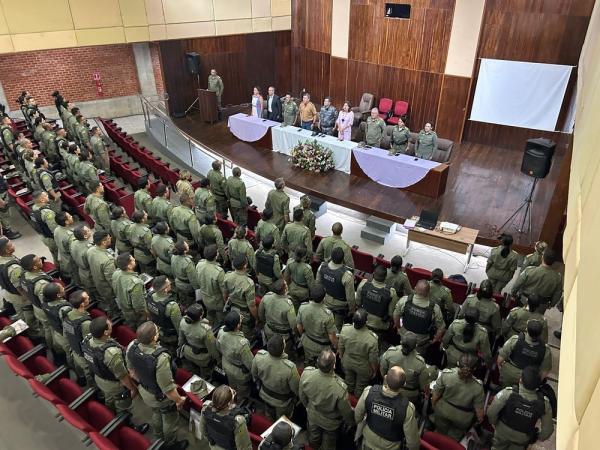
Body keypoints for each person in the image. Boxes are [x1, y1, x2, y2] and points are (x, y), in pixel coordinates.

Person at [82, 316, 150, 435]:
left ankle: (109, 415)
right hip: (115, 385)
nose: (112, 324)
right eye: (109, 324)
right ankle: (126, 427)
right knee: (123, 407)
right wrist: (133, 389)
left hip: (99, 378)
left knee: (109, 400)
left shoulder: (88, 340)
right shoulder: (111, 353)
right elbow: (122, 376)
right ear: (106, 332)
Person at [126, 322, 188, 450]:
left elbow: (131, 372)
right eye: (157, 331)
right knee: (170, 419)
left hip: (145, 391)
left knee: (156, 412)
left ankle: (158, 436)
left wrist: (145, 382)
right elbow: (168, 389)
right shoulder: (161, 358)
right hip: (160, 397)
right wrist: (179, 400)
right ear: (154, 338)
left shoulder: (132, 346)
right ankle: (170, 444)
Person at [299, 350, 355, 450]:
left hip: (312, 415)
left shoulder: (307, 374)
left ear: (317, 361)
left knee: (313, 439)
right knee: (328, 445)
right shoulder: (340, 388)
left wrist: (308, 407)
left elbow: (302, 395)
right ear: (334, 366)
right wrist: (352, 423)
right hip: (330, 424)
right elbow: (346, 412)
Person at [487, 366, 554, 449]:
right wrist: (536, 437)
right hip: (522, 439)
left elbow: (491, 412)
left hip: (502, 432)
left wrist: (495, 424)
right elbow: (548, 430)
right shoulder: (544, 404)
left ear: (520, 380)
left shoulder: (507, 394)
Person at [355, 366, 420, 450]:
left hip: (368, 442)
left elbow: (358, 416)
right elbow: (412, 443)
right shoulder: (407, 409)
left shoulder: (369, 392)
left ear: (385, 377)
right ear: (404, 384)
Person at [432, 354, 485, 441]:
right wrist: (478, 421)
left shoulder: (446, 374)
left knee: (440, 433)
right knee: (453, 439)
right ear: (475, 369)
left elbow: (435, 396)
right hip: (462, 419)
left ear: (458, 363)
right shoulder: (478, 387)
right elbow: (480, 414)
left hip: (442, 411)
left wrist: (435, 407)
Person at [251, 334, 299, 421]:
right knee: (282, 421)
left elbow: (254, 374)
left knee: (269, 416)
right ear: (283, 348)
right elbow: (296, 389)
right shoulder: (290, 368)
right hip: (282, 403)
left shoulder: (259, 357)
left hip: (265, 395)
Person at [393, 280, 445, 355]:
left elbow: (396, 315)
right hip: (421, 342)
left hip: (404, 337)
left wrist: (398, 327)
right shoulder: (435, 308)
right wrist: (435, 339)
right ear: (428, 292)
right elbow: (441, 328)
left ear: (415, 288)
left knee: (401, 353)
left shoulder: (404, 301)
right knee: (417, 357)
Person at [497, 320, 552, 389]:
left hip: (509, 373)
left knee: (505, 389)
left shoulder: (515, 340)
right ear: (540, 333)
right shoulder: (546, 349)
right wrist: (534, 382)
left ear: (526, 329)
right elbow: (545, 371)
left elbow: (500, 358)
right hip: (529, 378)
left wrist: (502, 370)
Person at [379, 333, 430, 406]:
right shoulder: (420, 363)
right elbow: (424, 386)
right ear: (416, 346)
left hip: (388, 387)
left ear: (401, 342)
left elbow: (382, 371)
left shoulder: (390, 353)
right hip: (408, 395)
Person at [338, 309, 379, 397]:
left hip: (347, 362)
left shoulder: (345, 329)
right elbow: (373, 360)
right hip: (363, 368)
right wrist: (374, 371)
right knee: (360, 387)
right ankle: (357, 400)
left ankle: (348, 397)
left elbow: (340, 347)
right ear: (366, 322)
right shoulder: (372, 339)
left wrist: (342, 358)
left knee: (348, 381)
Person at [0, 238, 37, 333]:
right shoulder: (14, 268)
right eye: (11, 245)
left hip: (7, 292)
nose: (13, 245)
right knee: (28, 314)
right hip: (19, 296)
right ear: (7, 250)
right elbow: (19, 286)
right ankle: (33, 331)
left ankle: (23, 328)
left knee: (20, 312)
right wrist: (27, 297)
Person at [199, 384, 252, 450]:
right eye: (233, 393)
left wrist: (214, 441)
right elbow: (244, 448)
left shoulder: (206, 408)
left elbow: (202, 430)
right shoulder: (237, 421)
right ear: (229, 403)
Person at [217, 310, 254, 400]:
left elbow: (218, 347)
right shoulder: (242, 344)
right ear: (238, 325)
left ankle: (231, 399)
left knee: (232, 387)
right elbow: (250, 364)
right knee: (242, 392)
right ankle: (240, 404)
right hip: (239, 373)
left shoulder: (221, 331)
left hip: (226, 364)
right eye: (239, 322)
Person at [296, 285, 337, 367]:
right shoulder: (328, 315)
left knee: (308, 362)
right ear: (324, 298)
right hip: (322, 347)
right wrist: (336, 347)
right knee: (321, 366)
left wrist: (303, 335)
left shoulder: (303, 307)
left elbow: (299, 326)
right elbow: (332, 337)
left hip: (307, 342)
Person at [511, 248, 563, 313]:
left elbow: (517, 284)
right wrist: (551, 304)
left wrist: (513, 294)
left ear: (542, 258)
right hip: (542, 304)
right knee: (536, 320)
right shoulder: (558, 277)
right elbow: (557, 294)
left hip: (524, 300)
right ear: (554, 262)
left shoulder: (529, 270)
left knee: (520, 318)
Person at [317, 247, 355, 330]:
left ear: (331, 256)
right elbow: (350, 298)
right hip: (340, 307)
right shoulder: (347, 275)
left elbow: (318, 285)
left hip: (325, 301)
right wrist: (352, 310)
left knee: (325, 324)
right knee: (337, 328)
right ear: (343, 258)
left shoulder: (322, 267)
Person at [178, 303, 219, 380]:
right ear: (201, 316)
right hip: (202, 358)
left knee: (193, 370)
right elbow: (212, 350)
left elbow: (181, 340)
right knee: (206, 373)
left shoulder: (182, 322)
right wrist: (219, 361)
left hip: (188, 353)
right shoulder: (205, 330)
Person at [19, 254, 54, 346]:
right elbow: (47, 302)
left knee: (46, 327)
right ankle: (52, 347)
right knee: (50, 329)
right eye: (38, 260)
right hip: (44, 310)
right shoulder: (41, 284)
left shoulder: (24, 275)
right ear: (34, 267)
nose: (41, 261)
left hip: (35, 305)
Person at [356, 264, 398, 337]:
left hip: (363, 319)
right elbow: (390, 314)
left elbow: (358, 303)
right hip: (379, 326)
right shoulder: (391, 292)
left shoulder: (363, 284)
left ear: (373, 274)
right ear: (385, 277)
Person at [62, 290, 94, 386]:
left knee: (80, 371)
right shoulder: (85, 323)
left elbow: (66, 334)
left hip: (74, 349)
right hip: (83, 355)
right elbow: (89, 344)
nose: (88, 296)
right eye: (87, 297)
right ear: (82, 304)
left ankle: (81, 380)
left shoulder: (68, 314)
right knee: (89, 375)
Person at [223, 255, 257, 340]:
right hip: (244, 313)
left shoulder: (228, 276)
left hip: (232, 308)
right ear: (245, 265)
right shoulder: (248, 283)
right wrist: (257, 318)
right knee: (246, 334)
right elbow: (251, 306)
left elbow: (225, 294)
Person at [146, 276, 182, 355]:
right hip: (170, 335)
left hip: (157, 330)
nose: (170, 284)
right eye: (169, 284)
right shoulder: (171, 306)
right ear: (165, 289)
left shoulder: (149, 296)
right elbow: (178, 326)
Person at [112, 252, 147, 329]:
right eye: (132, 260)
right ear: (129, 266)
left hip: (123, 308)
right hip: (134, 314)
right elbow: (139, 307)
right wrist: (146, 315)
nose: (134, 259)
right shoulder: (136, 283)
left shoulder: (116, 273)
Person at [87, 231, 118, 315]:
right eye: (108, 238)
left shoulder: (90, 250)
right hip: (108, 289)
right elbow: (112, 280)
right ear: (104, 242)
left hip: (98, 283)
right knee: (114, 306)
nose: (110, 238)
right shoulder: (107, 261)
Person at [258, 279, 297, 344]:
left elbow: (260, 314)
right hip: (283, 336)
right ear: (285, 289)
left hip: (269, 331)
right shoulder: (288, 305)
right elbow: (293, 325)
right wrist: (296, 334)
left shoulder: (267, 297)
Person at [195, 244, 226, 327]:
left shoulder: (199, 264)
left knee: (210, 314)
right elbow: (224, 291)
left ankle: (208, 327)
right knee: (221, 318)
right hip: (217, 301)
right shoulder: (219, 271)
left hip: (205, 297)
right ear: (216, 256)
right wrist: (226, 302)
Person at [41, 282, 71, 364]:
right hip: (65, 337)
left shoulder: (45, 303)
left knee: (59, 349)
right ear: (58, 295)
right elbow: (69, 327)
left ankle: (59, 361)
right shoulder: (64, 309)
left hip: (56, 332)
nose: (64, 288)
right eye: (62, 288)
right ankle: (71, 367)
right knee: (70, 354)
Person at [31, 190, 59, 266]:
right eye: (46, 196)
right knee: (61, 257)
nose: (48, 197)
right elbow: (55, 230)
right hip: (52, 239)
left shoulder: (34, 208)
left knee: (54, 254)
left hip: (43, 236)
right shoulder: (47, 213)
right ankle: (64, 273)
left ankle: (58, 267)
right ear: (42, 200)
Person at [284, 244, 315, 310]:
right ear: (304, 256)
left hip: (292, 288)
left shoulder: (289, 262)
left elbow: (286, 277)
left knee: (295, 307)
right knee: (304, 309)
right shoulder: (307, 269)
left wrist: (290, 286)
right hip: (303, 293)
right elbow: (311, 285)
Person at [71, 225, 98, 299]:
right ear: (85, 236)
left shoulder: (74, 243)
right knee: (97, 293)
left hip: (81, 272)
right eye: (88, 230)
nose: (90, 230)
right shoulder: (90, 250)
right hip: (90, 274)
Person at [171, 240, 198, 308]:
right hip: (187, 286)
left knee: (182, 298)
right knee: (190, 301)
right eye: (187, 245)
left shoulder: (173, 257)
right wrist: (197, 290)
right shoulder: (188, 263)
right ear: (185, 251)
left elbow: (173, 271)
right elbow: (193, 280)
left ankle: (182, 306)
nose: (188, 245)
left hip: (178, 282)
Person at [128, 210, 156, 275]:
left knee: (143, 271)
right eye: (145, 214)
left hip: (137, 253)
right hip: (146, 256)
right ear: (142, 220)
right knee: (150, 274)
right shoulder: (145, 231)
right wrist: (155, 257)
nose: (146, 214)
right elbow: (150, 248)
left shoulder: (131, 226)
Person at [53, 211, 78, 285]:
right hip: (70, 261)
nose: (71, 217)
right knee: (76, 280)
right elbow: (74, 252)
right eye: (69, 216)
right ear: (66, 222)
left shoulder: (57, 229)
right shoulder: (70, 236)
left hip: (62, 258)